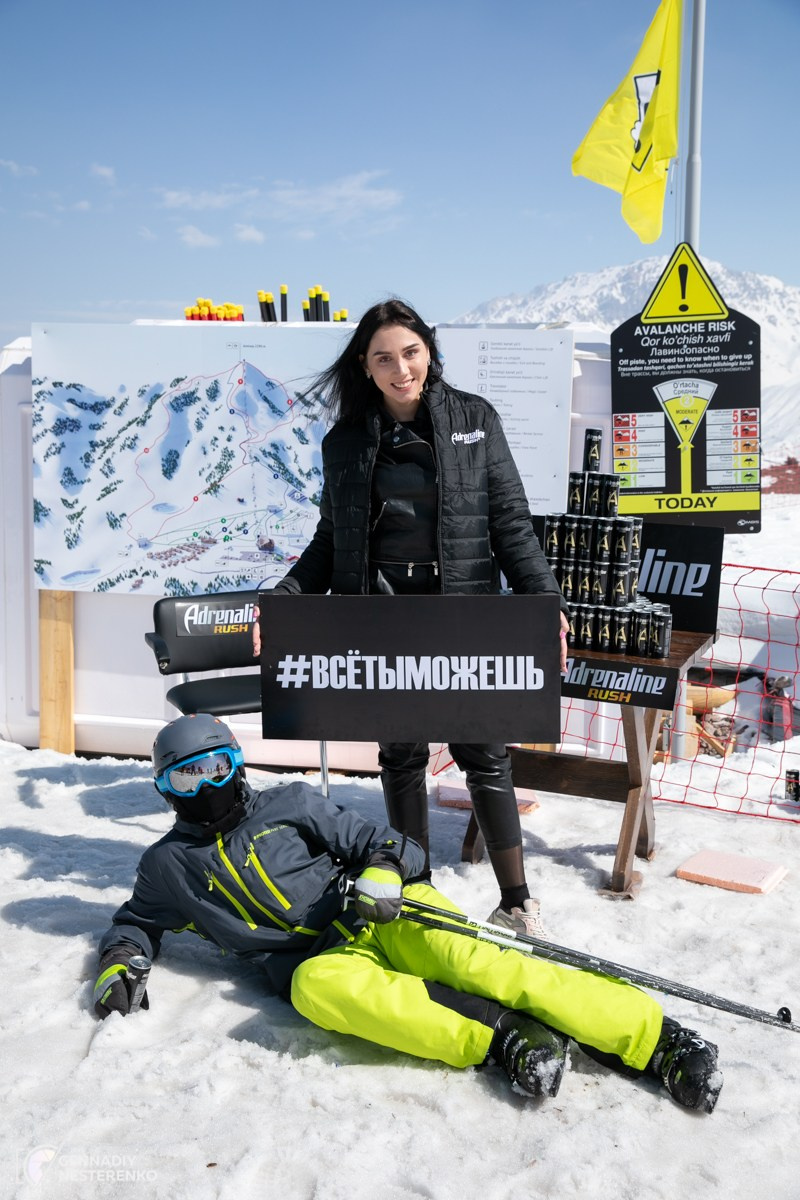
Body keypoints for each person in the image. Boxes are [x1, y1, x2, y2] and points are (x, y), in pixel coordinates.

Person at [93, 714, 723, 1113]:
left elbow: (389, 843)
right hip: (321, 959)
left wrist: (382, 874)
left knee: (479, 962)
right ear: (162, 788)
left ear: (236, 766)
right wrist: (120, 963)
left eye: (215, 769)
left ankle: (656, 1039)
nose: (204, 789)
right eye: (185, 779)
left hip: (381, 911)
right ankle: (501, 1038)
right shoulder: (168, 865)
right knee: (314, 990)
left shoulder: (288, 802)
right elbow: (136, 921)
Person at [254, 298, 571, 936]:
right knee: (401, 755)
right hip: (382, 621)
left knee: (485, 751)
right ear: (365, 369)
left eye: (411, 353)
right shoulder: (345, 442)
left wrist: (546, 609)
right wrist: (281, 601)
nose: (401, 369)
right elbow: (329, 539)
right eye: (384, 359)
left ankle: (516, 899)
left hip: (465, 616)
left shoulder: (474, 421)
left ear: (429, 352)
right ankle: (417, 892)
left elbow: (510, 524)